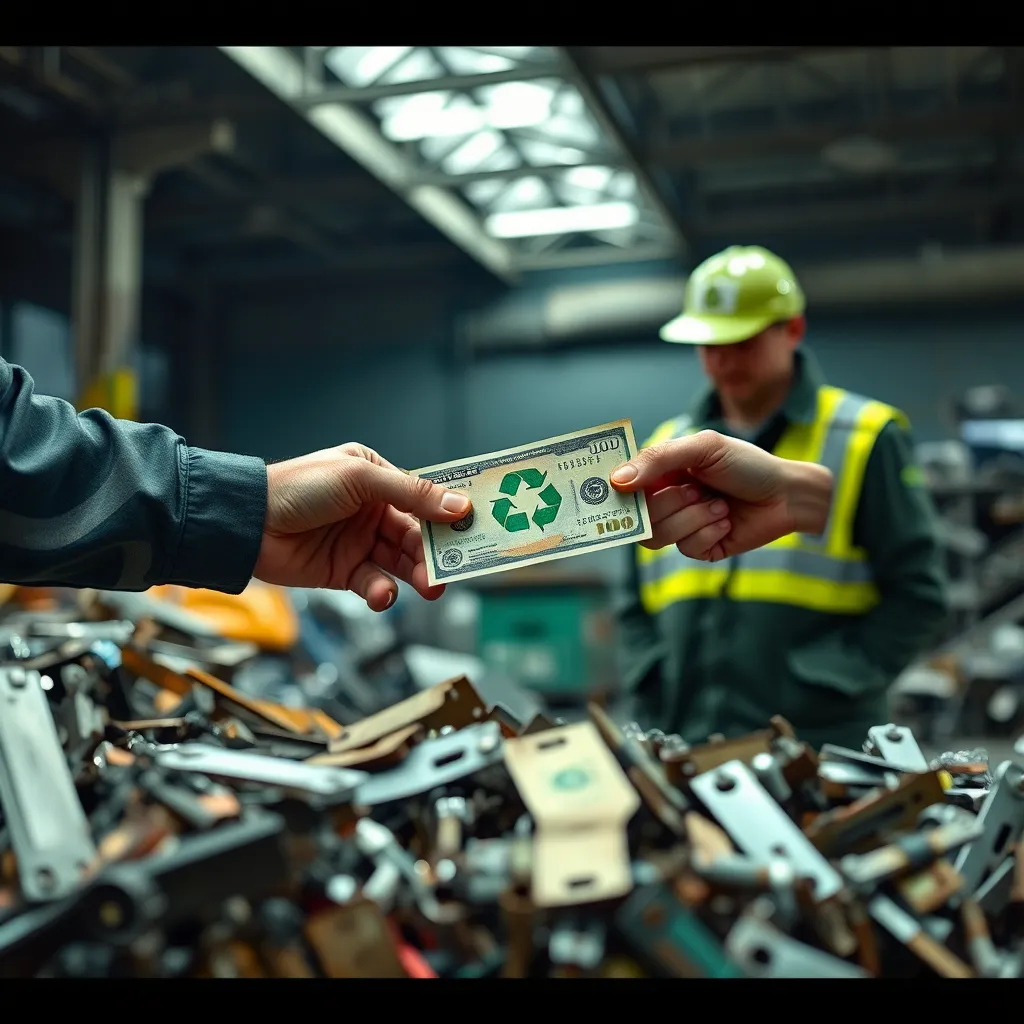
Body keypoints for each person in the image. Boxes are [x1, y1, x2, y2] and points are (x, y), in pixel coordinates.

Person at [610, 245, 948, 751]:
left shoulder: (864, 435)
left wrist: (840, 679)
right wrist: (651, 677)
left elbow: (918, 594)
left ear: (792, 330)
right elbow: (631, 597)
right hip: (688, 739)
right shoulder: (666, 443)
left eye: (742, 341)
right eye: (709, 344)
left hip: (820, 746)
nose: (723, 361)